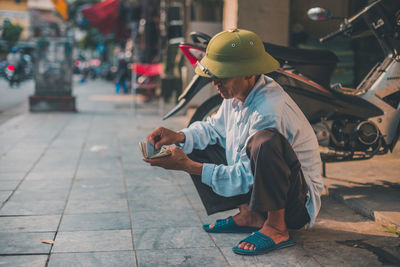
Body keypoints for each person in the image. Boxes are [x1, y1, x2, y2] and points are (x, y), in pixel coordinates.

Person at [144, 29, 323, 256]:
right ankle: (250, 214)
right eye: (214, 77)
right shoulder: (237, 93)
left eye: (222, 77)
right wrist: (178, 136)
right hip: (259, 189)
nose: (215, 83)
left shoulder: (269, 109)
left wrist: (188, 166)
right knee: (196, 141)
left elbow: (244, 177)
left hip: (296, 205)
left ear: (248, 72)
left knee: (264, 142)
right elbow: (213, 129)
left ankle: (277, 226)